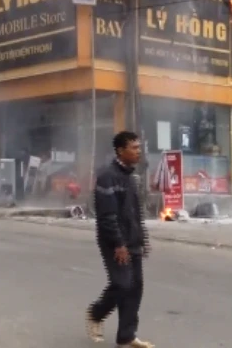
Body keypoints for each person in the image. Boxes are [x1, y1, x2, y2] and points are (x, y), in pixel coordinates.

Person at [86, 131, 153, 348]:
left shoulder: (131, 177)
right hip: (114, 242)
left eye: (139, 147)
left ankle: (126, 336)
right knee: (122, 284)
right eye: (134, 148)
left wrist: (142, 239)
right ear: (120, 151)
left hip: (133, 241)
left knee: (136, 287)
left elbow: (134, 213)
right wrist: (118, 244)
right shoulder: (108, 177)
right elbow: (107, 216)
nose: (138, 152)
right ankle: (96, 314)